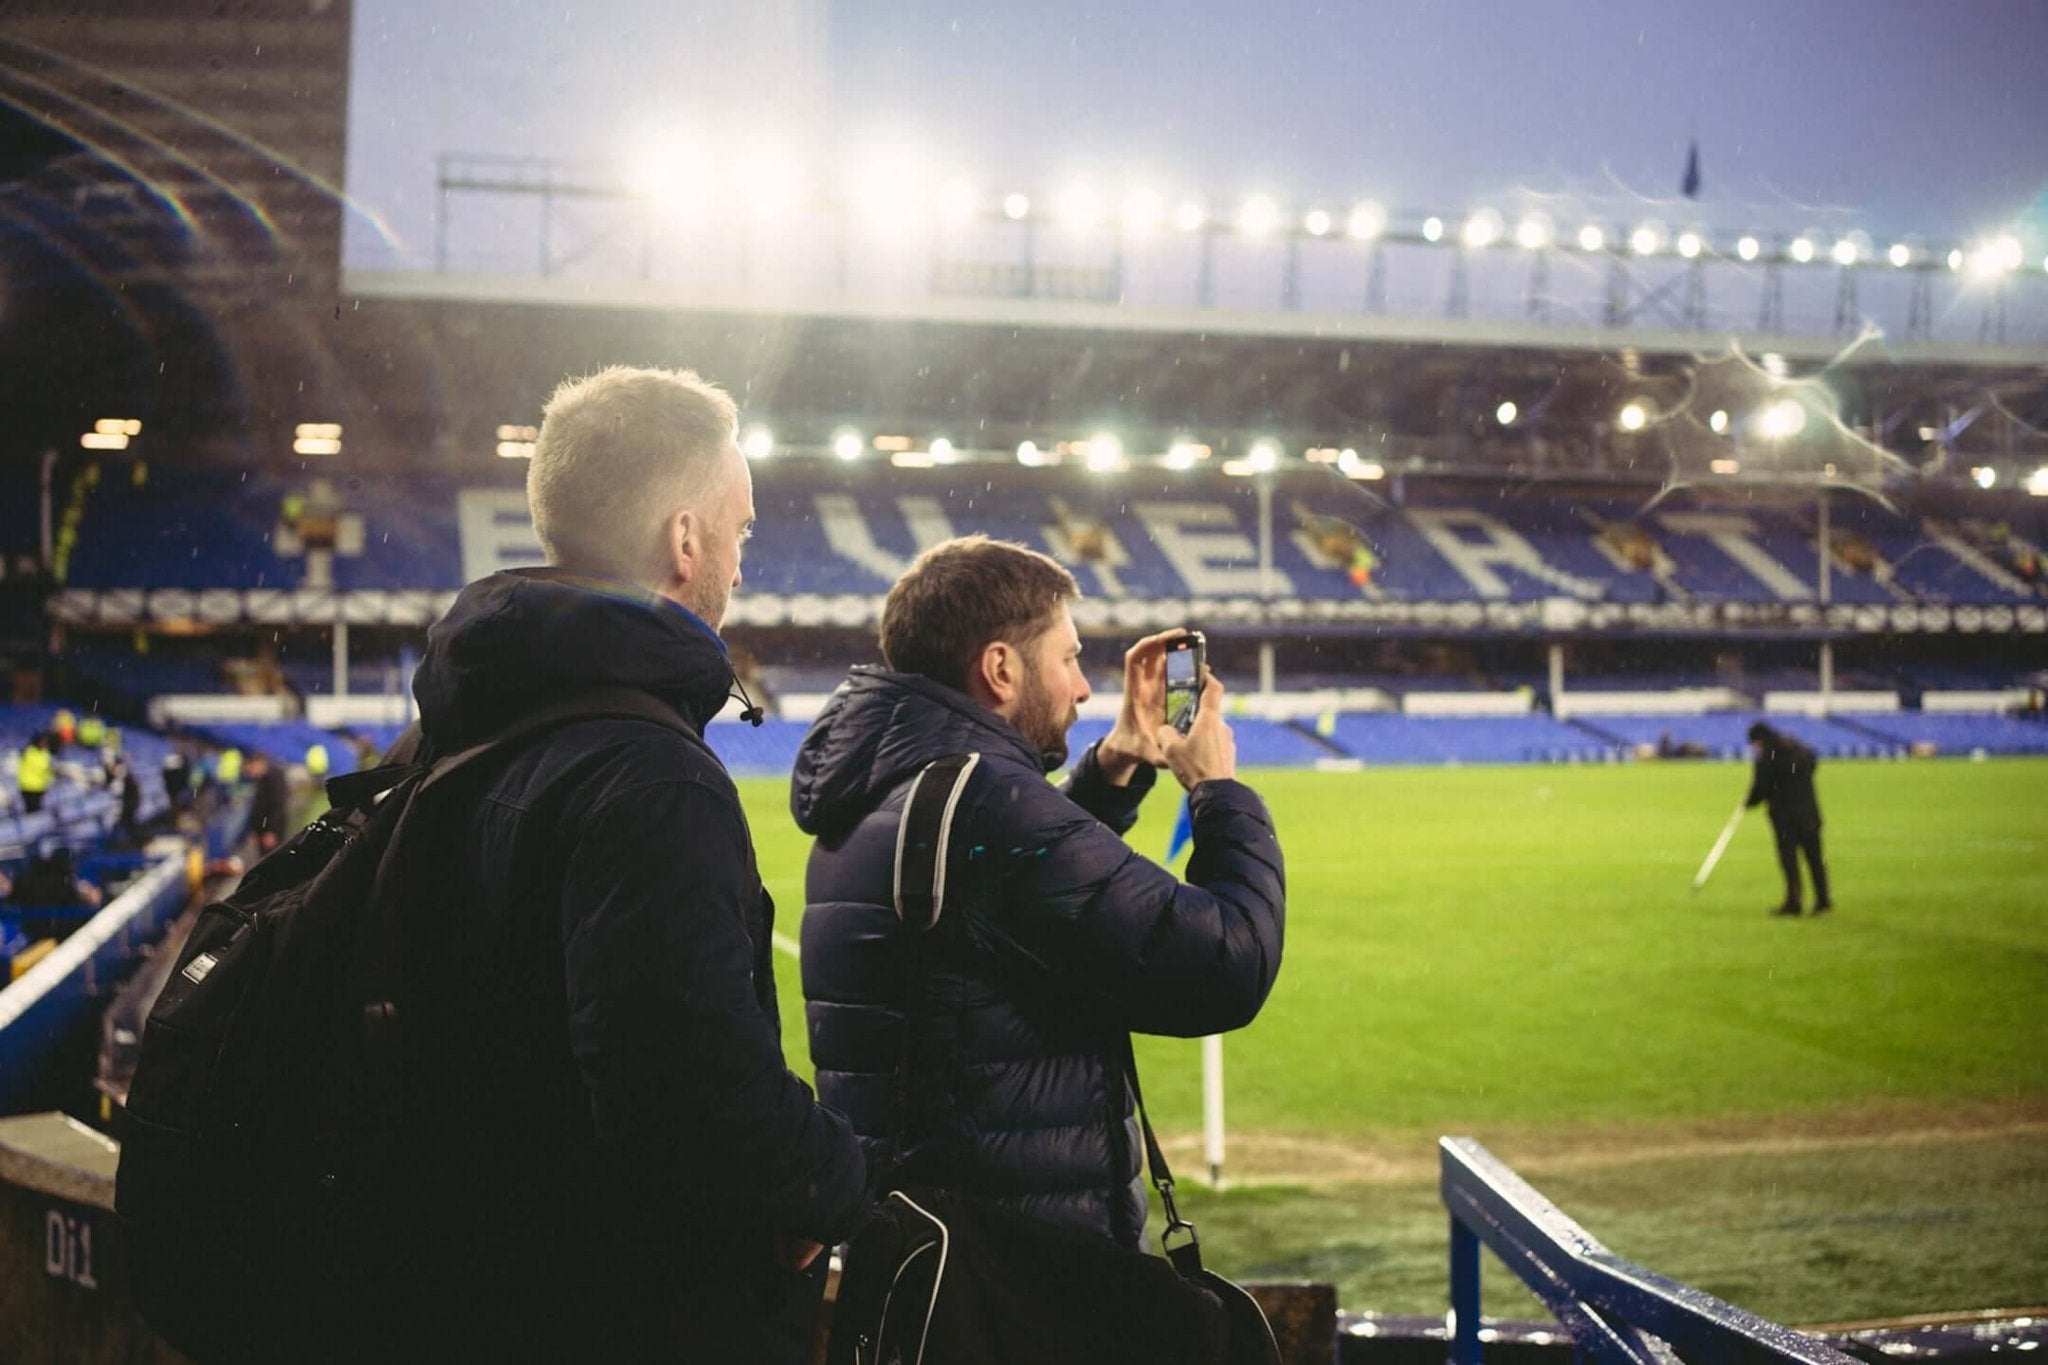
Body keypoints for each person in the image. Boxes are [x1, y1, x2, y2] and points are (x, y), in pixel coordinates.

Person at [374, 365, 864, 1362]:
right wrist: (836, 1182)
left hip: (460, 1289)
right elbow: (694, 1106)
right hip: (615, 1309)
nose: (740, 554)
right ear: (685, 539)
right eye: (740, 526)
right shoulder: (650, 780)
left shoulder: (441, 736)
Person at [795, 535, 1286, 1248]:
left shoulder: (897, 783)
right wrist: (1217, 788)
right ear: (1000, 668)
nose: (1084, 687)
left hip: (928, 1252)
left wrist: (1115, 763)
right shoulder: (989, 801)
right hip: (1026, 1270)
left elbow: (1018, 891)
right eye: (1068, 658)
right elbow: (1224, 965)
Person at [1746, 721, 1832, 916]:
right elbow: (1812, 762)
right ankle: (1823, 901)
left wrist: (1748, 802)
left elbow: (1761, 787)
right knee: (1815, 858)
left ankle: (1794, 902)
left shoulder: (1767, 757)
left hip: (1785, 818)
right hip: (1809, 813)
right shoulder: (1797, 749)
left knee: (1789, 860)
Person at [243, 751, 291, 854]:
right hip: (263, 832)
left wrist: (271, 831)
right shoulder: (262, 780)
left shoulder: (275, 778)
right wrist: (256, 830)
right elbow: (259, 808)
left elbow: (277, 806)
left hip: (271, 832)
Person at [16, 733, 53, 814]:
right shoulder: (30, 753)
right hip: (29, 787)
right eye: (42, 742)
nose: (45, 744)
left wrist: (50, 777)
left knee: (37, 811)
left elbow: (46, 768)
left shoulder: (44, 753)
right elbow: (40, 768)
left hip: (39, 787)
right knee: (31, 812)